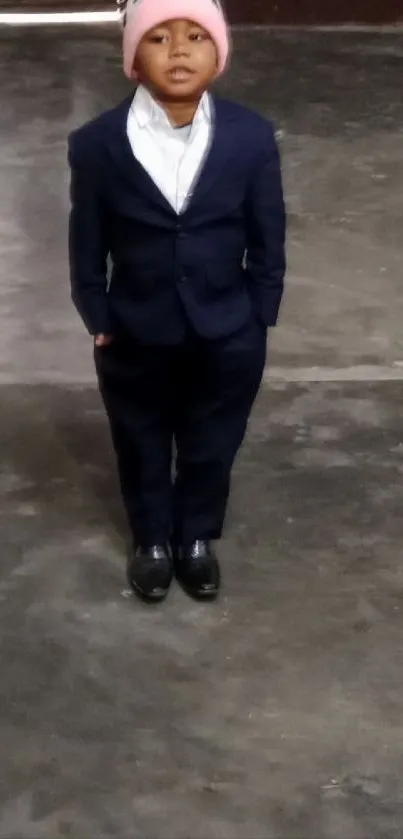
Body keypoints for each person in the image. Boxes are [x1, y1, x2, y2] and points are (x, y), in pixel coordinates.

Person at [68, 0, 286, 604]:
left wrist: (260, 314)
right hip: (134, 328)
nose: (180, 50)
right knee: (139, 436)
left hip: (229, 326)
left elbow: (269, 232)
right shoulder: (98, 144)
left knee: (213, 437)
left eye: (195, 36)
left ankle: (196, 538)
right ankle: (152, 540)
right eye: (159, 38)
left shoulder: (249, 137)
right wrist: (97, 313)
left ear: (220, 53)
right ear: (133, 58)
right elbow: (86, 238)